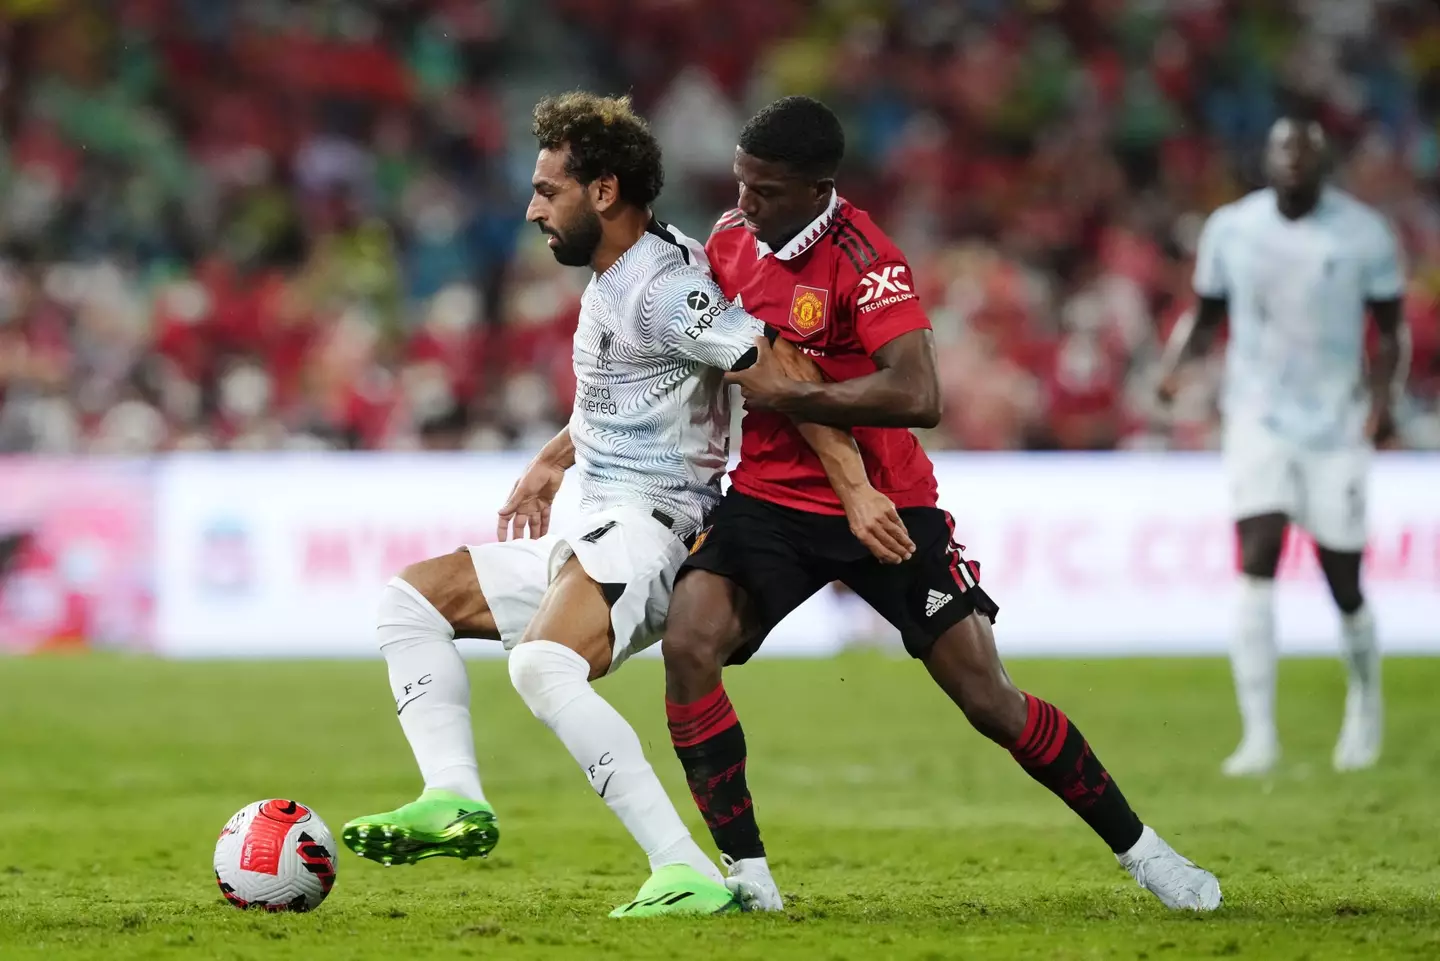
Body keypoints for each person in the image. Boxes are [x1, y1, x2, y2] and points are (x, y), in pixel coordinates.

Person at [341, 92, 914, 918]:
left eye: (548, 190)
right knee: (409, 602)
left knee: (540, 664)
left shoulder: (665, 290)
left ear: (603, 192)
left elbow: (779, 372)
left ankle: (680, 865)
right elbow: (618, 394)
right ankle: (454, 795)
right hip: (591, 519)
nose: (533, 207)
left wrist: (857, 489)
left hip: (649, 528)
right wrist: (548, 461)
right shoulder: (625, 272)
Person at [658, 95, 1223, 913]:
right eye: (741, 183)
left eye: (766, 190)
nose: (744, 204)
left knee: (989, 700)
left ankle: (1147, 853)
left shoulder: (867, 258)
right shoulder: (729, 242)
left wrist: (798, 395)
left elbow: (918, 393)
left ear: (819, 187)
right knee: (689, 643)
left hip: (892, 506)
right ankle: (748, 875)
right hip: (771, 499)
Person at [1157, 116, 1407, 777]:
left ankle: (1365, 700)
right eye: (1284, 152)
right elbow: (1206, 312)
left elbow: (1390, 331)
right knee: (1257, 557)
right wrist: (1178, 363)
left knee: (1343, 580)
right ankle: (1258, 734)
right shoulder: (1232, 229)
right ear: (1266, 161)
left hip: (1336, 425)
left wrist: (1384, 403)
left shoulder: (1363, 234)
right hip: (1257, 417)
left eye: (1306, 154)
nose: (1294, 163)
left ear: (1323, 164)